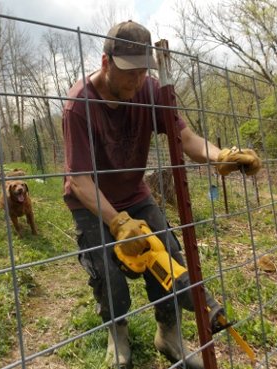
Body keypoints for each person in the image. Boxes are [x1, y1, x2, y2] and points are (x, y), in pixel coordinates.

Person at [62, 20, 261, 369]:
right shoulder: (79, 106)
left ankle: (168, 334)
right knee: (107, 273)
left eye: (143, 71)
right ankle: (117, 332)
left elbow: (184, 139)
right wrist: (118, 223)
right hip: (90, 201)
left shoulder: (150, 91)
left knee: (168, 254)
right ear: (106, 62)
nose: (136, 81)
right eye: (129, 72)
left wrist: (221, 157)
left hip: (135, 192)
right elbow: (78, 179)